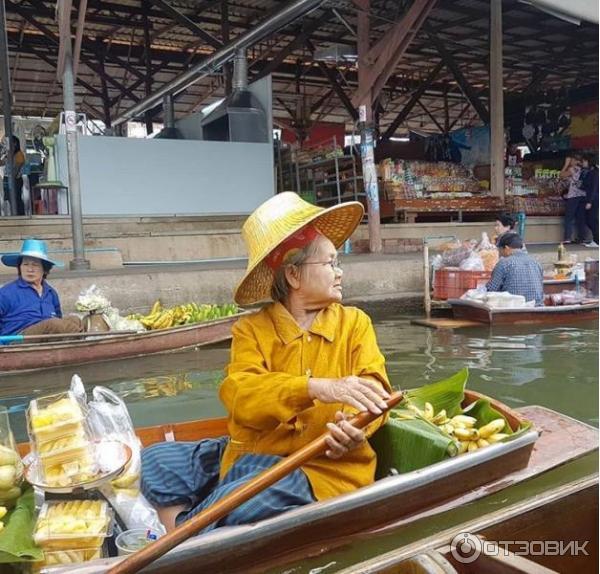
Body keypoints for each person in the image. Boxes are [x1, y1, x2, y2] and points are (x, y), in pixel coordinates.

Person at [141, 192, 392, 533]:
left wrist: (353, 427)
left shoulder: (354, 323)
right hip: (251, 452)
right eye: (330, 263)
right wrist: (316, 387)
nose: (339, 273)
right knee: (151, 463)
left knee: (241, 500)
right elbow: (240, 394)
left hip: (320, 469)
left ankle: (187, 533)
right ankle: (198, 519)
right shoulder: (252, 329)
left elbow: (375, 388)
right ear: (293, 275)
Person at [0, 238, 82, 339]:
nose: (30, 269)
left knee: (75, 319)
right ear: (19, 268)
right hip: (18, 338)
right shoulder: (6, 292)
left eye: (35, 265)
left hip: (47, 336)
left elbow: (58, 318)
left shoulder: (51, 293)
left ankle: (80, 341)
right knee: (53, 324)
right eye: (25, 264)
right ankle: (85, 341)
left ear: (45, 269)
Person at [485, 233, 544, 306]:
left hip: (512, 310)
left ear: (506, 248)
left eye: (499, 249)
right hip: (537, 308)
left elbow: (491, 290)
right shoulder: (536, 262)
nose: (499, 252)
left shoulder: (504, 263)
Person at [559, 155, 588, 243]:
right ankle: (581, 237)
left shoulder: (573, 169)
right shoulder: (584, 169)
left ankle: (567, 237)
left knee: (569, 217)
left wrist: (566, 164)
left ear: (575, 160)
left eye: (571, 160)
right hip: (583, 195)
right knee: (581, 217)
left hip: (573, 196)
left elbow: (561, 175)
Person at [1, 136, 26, 216]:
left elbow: (15, 171)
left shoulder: (19, 155)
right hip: (7, 179)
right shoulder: (8, 155)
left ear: (14, 144)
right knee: (8, 199)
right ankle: (11, 214)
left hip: (15, 180)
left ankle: (19, 216)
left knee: (15, 199)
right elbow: (2, 162)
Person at [581, 154, 598, 247]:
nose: (583, 163)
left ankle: (597, 240)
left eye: (584, 161)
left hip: (593, 199)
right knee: (589, 220)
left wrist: (590, 202)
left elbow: (594, 188)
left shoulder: (595, 172)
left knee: (592, 220)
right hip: (590, 198)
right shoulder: (589, 172)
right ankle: (595, 239)